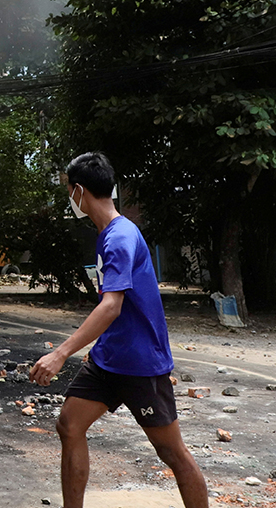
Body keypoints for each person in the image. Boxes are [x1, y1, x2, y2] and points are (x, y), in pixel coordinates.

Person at [31, 152, 208, 508]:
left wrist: (60, 353)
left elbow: (111, 306)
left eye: (69, 190)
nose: (70, 199)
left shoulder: (119, 237)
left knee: (172, 453)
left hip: (140, 362)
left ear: (79, 191)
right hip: (108, 358)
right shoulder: (107, 234)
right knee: (69, 424)